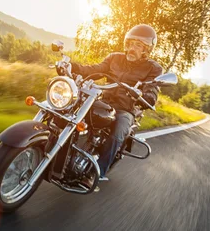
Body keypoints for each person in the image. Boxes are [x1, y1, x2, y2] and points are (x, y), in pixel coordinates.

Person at [69, 24, 163, 185]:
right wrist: (73, 67)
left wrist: (144, 95)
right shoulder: (115, 58)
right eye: (130, 43)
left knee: (119, 131)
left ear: (147, 50)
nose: (132, 48)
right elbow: (95, 69)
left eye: (138, 45)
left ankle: (96, 173)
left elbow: (152, 89)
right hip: (102, 100)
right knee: (71, 109)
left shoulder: (153, 68)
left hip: (126, 108)